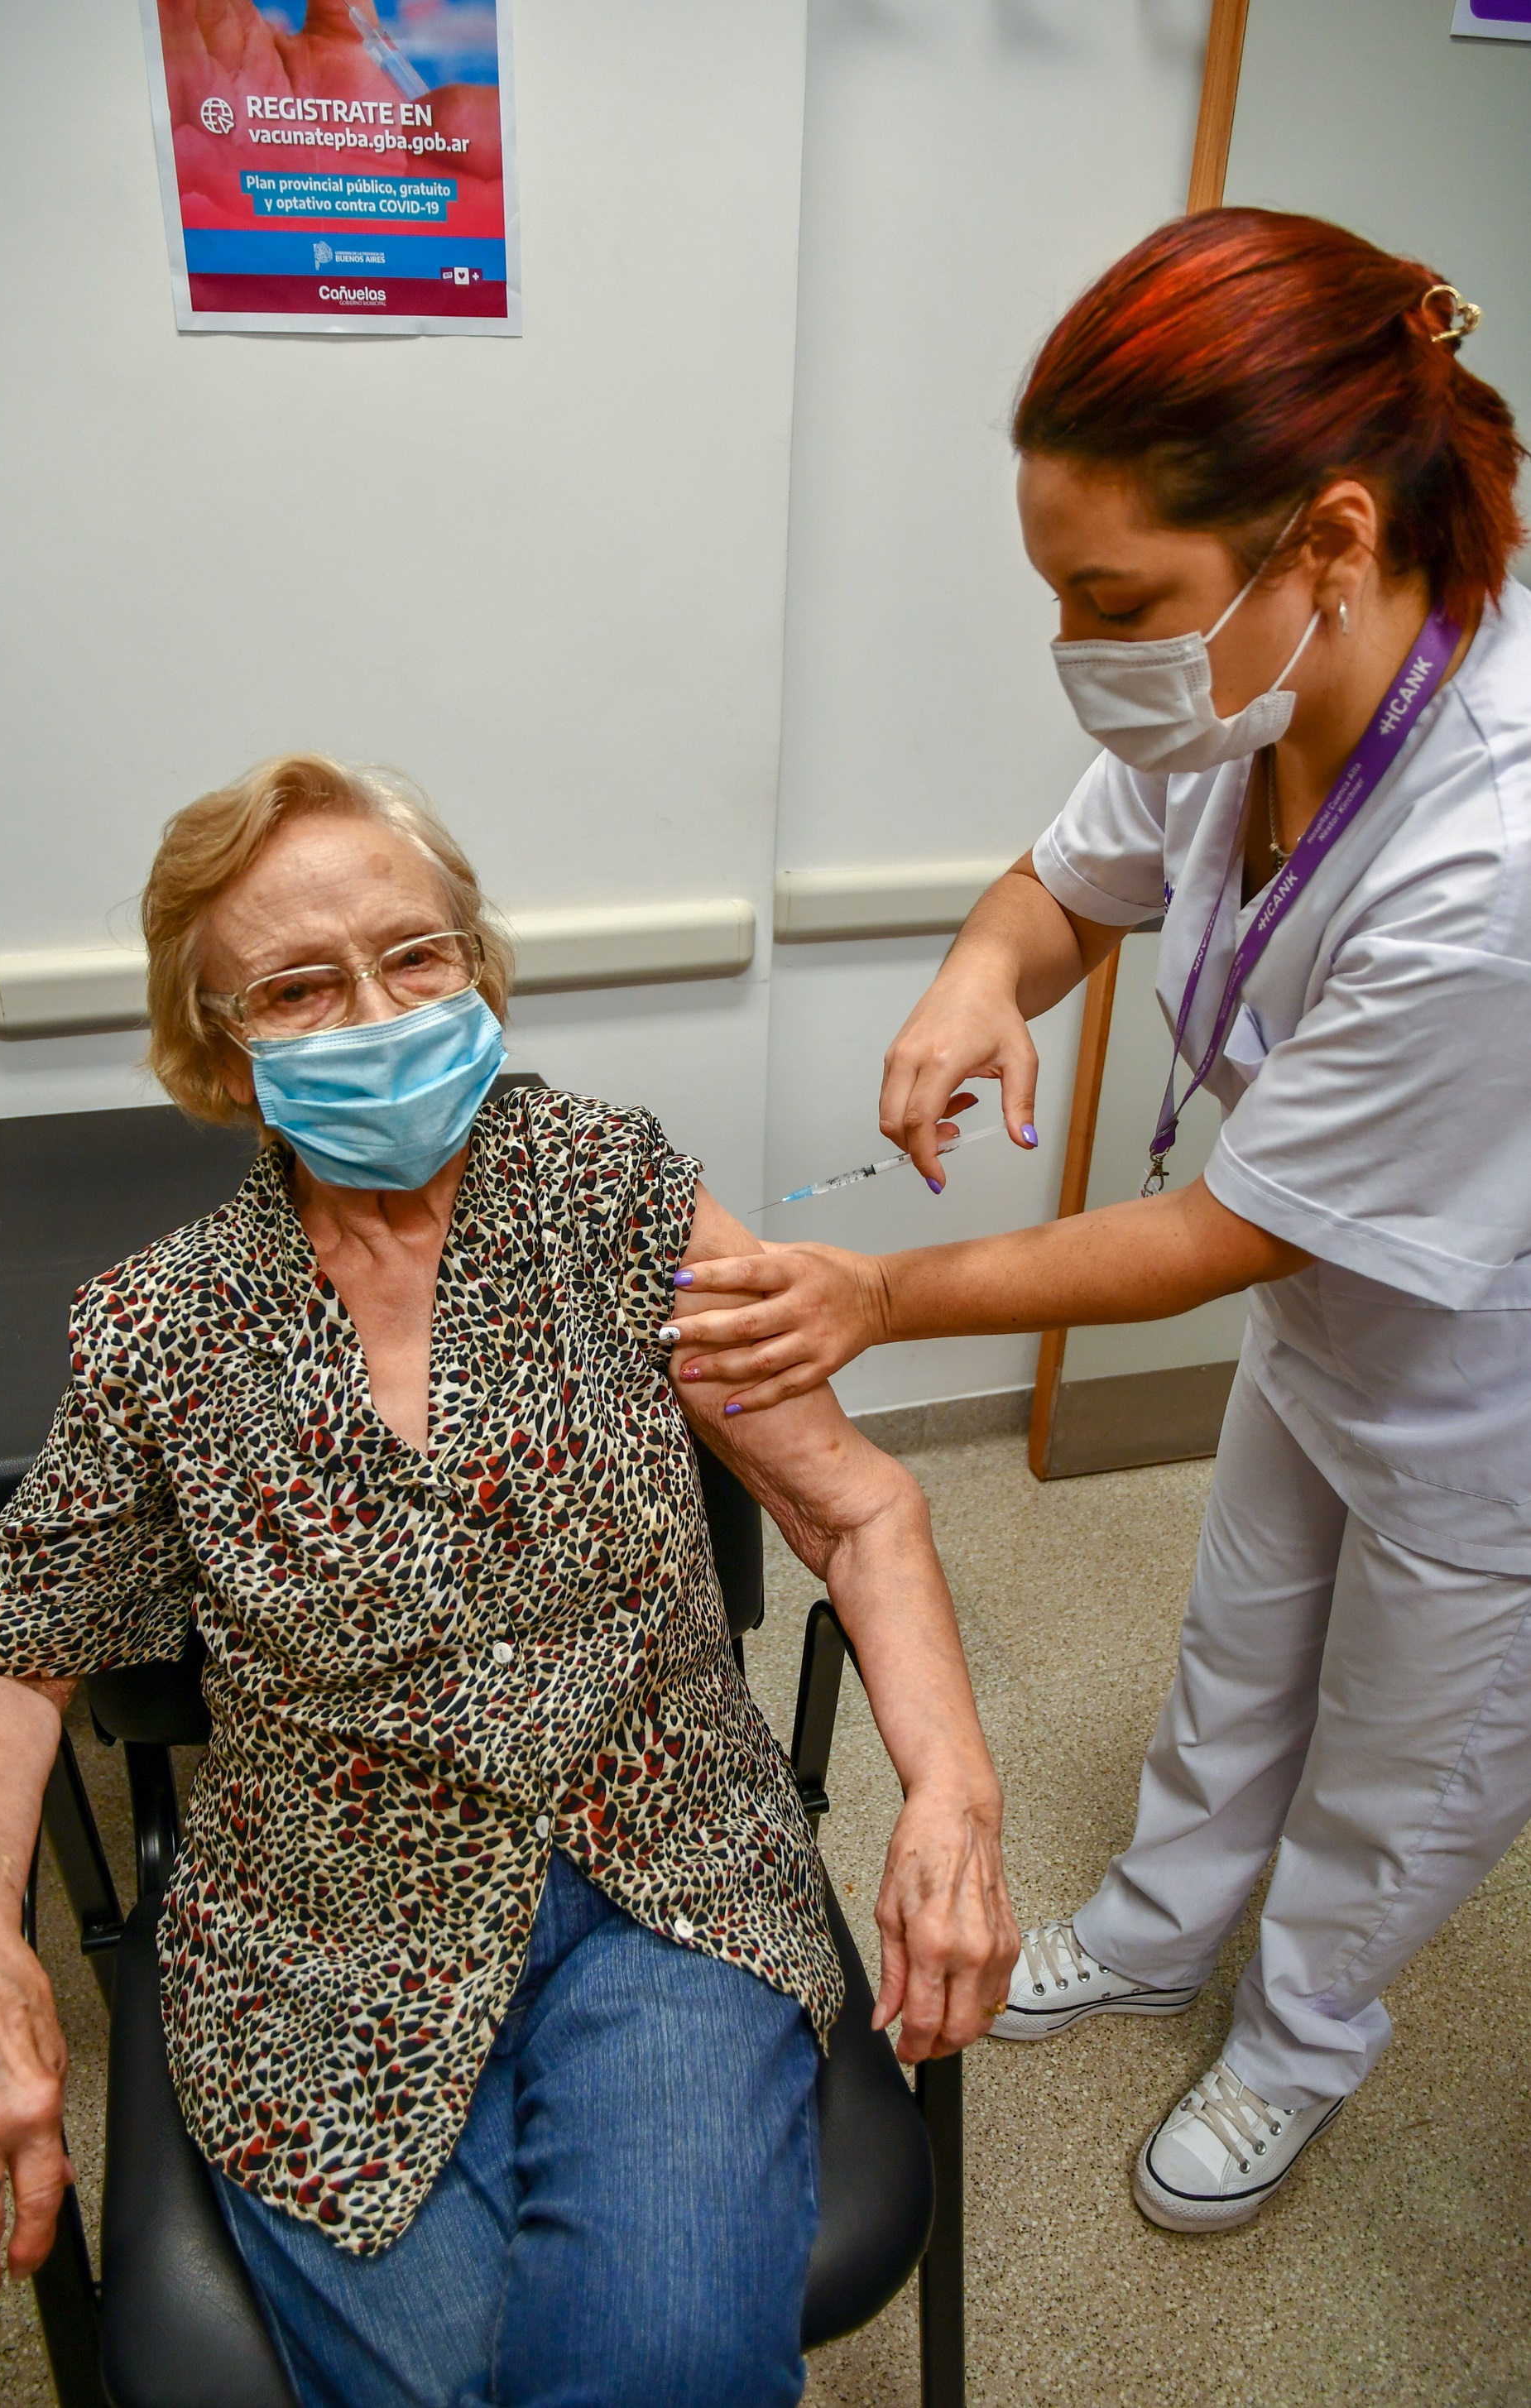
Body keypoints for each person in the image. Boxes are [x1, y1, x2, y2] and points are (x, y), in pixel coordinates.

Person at [0, 754, 1017, 2407]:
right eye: (300, 984)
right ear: (215, 1042)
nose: (376, 1009)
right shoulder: (161, 1330)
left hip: (667, 1867)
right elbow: (6, 1636)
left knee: (655, 2370)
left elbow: (854, 1511)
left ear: (478, 964)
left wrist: (952, 1791)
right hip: (318, 1928)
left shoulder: (617, 1194)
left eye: (415, 956)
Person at [670, 209, 1531, 2233]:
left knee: (1406, 1754)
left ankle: (1301, 2038)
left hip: (1485, 1378)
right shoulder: (1239, 687)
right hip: (1332, 1324)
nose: (1085, 647)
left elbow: (1232, 1232)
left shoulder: (1492, 842)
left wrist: (883, 1291)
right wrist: (982, 976)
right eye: (1060, 591)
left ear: (1325, 540)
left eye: (1111, 596)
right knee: (1240, 1652)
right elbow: (1068, 884)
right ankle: (1155, 1929)